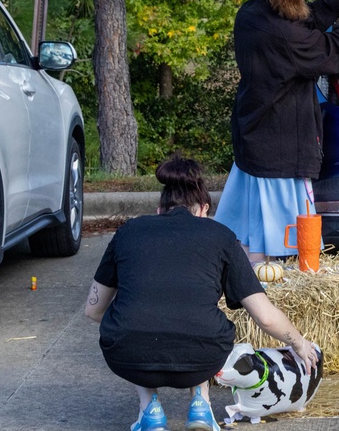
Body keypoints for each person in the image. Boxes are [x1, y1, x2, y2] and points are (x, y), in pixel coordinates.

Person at [84, 155, 321, 431]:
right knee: (202, 315)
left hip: (130, 358)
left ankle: (150, 410)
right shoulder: (221, 236)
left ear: (160, 209)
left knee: (135, 316)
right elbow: (265, 317)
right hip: (202, 358)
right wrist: (299, 343)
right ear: (203, 210)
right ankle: (200, 405)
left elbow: (93, 310)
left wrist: (137, 323)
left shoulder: (128, 231)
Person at [215, 0, 339, 264]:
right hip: (282, 152)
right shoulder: (286, 37)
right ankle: (274, 299)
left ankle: (251, 286)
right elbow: (331, 52)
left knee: (250, 235)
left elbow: (305, 22)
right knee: (291, 244)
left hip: (255, 140)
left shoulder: (252, 14)